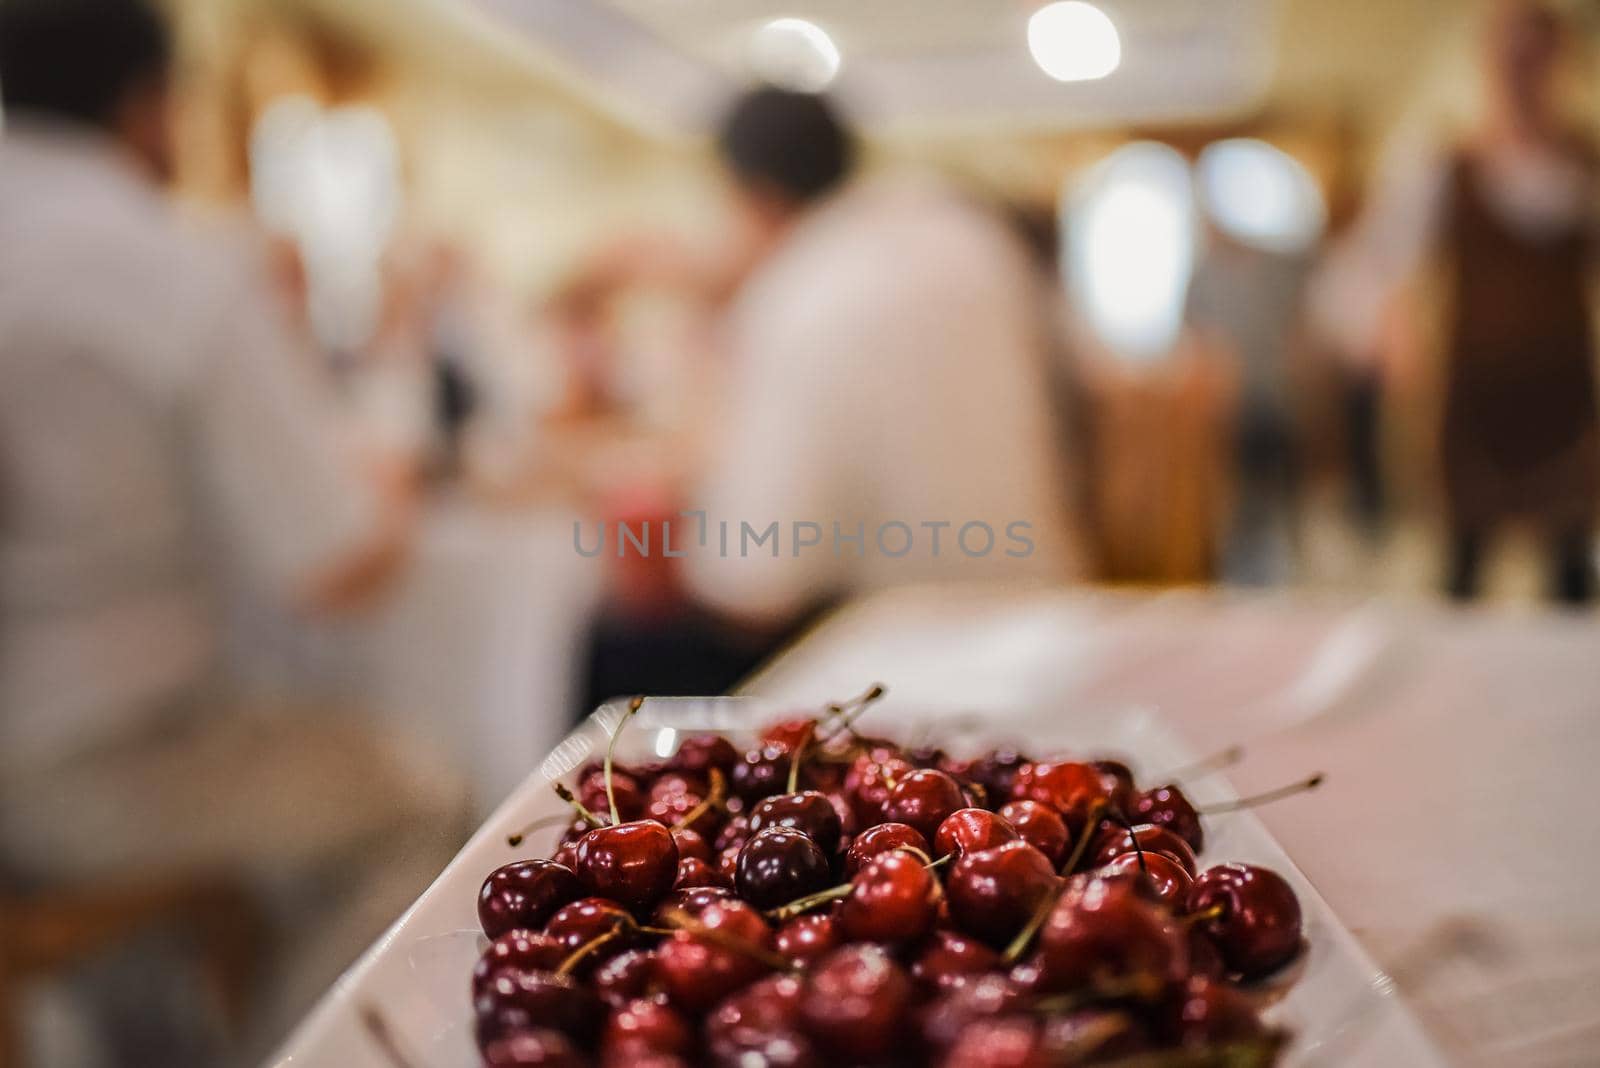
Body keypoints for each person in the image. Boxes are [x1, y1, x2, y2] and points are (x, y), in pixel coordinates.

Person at [0, 2, 465, 1063]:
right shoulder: (162, 262)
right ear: (154, 108)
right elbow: (337, 565)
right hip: (85, 768)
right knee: (414, 790)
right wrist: (393, 394)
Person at [679, 88, 1078, 625]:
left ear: (757, 196)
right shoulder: (970, 237)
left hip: (904, 645)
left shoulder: (803, 290)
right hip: (1042, 607)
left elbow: (752, 577)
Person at [1312, 0, 1597, 604]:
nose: (1522, 73)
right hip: (1476, 404)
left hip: (1567, 403)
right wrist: (1388, 327)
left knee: (1571, 571)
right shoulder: (1446, 164)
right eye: (1510, 58)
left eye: (1535, 57)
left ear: (1557, 63)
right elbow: (1370, 261)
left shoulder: (1582, 165)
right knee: (1464, 569)